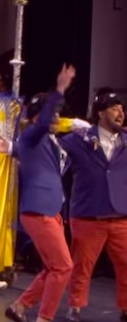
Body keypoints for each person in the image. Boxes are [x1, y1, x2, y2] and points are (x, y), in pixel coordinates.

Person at [3, 65, 76, 322]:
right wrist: (59, 89)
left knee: (54, 267)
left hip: (50, 210)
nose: (56, 119)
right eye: (52, 114)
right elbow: (44, 122)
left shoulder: (48, 142)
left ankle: (20, 307)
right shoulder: (32, 136)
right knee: (64, 266)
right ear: (37, 117)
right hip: (39, 210)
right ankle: (44, 318)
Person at [58, 89, 127, 322]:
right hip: (88, 215)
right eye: (114, 108)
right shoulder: (81, 139)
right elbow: (51, 146)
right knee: (82, 266)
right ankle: (75, 307)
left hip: (120, 215)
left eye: (122, 108)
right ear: (100, 113)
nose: (120, 113)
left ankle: (126, 307)